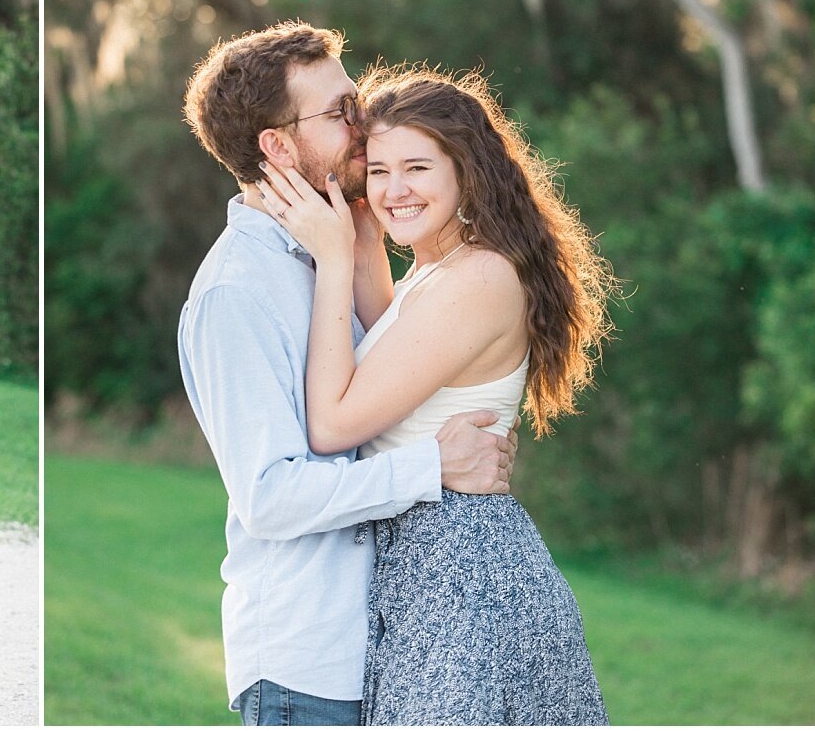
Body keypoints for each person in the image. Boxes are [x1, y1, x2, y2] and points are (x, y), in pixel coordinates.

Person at [178, 20, 516, 727]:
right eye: (339, 113)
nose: (363, 126)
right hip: (306, 663)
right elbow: (270, 496)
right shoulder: (237, 292)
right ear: (278, 146)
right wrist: (434, 466)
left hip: (393, 647)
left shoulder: (332, 246)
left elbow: (385, 397)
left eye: (354, 100)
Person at [255, 63, 613, 725]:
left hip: (466, 578)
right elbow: (386, 359)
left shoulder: (479, 279)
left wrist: (333, 261)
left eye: (417, 168)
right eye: (380, 169)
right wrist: (360, 242)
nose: (394, 189)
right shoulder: (434, 270)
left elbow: (333, 425)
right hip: (427, 568)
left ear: (465, 173)